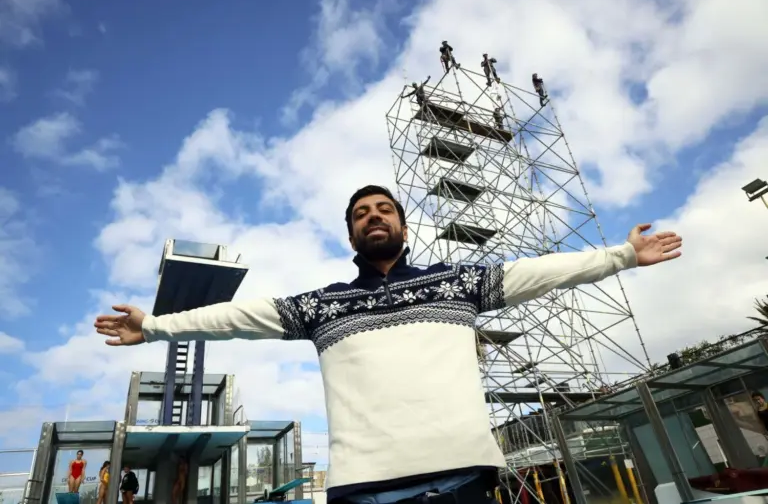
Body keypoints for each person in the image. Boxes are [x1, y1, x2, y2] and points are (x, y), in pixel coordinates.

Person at [95, 185, 683, 504]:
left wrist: (624, 256)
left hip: (463, 484)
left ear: (402, 224)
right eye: (360, 213)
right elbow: (238, 317)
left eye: (383, 209)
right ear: (350, 232)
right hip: (364, 493)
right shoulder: (323, 305)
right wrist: (155, 327)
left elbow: (541, 271)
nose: (372, 217)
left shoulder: (457, 282)